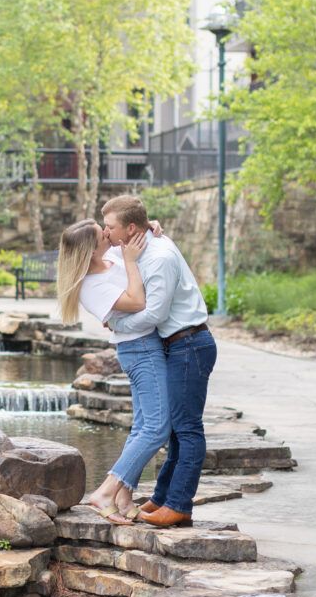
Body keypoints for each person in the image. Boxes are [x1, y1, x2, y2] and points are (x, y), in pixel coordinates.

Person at [103, 194, 216, 528]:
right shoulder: (139, 248)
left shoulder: (160, 257)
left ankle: (179, 504)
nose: (106, 233)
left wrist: (116, 324)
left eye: (110, 227)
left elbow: (154, 314)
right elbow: (96, 249)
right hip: (178, 345)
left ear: (131, 228)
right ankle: (164, 497)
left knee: (187, 428)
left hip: (190, 344)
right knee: (176, 429)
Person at [57, 218, 169, 525]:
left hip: (148, 344)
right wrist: (131, 262)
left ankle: (124, 494)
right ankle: (105, 491)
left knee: (144, 425)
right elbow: (136, 300)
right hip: (139, 350)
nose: (108, 234)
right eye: (101, 234)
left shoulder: (111, 256)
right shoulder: (90, 287)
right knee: (158, 427)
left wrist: (151, 229)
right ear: (90, 251)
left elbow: (141, 246)